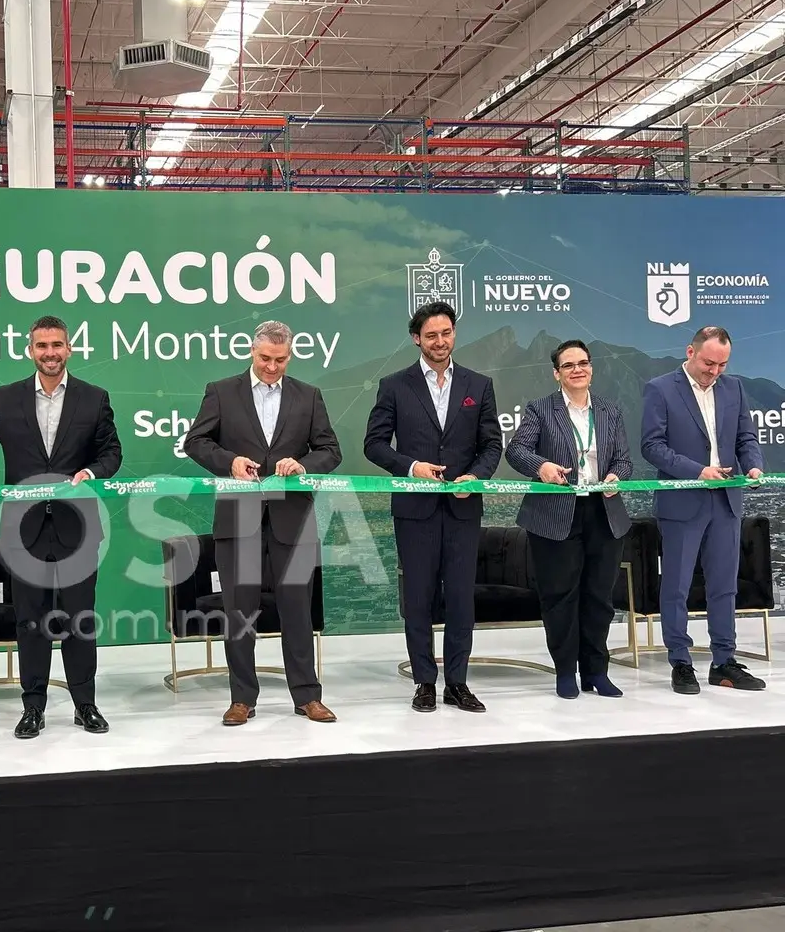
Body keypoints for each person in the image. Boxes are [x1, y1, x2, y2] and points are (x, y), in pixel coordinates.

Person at [0, 315, 122, 739]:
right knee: (30, 621)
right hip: (23, 531)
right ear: (31, 350)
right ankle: (33, 707)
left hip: (78, 528)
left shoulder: (94, 398)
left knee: (79, 620)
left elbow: (112, 451)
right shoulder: (4, 398)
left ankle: (86, 705)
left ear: (69, 349)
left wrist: (91, 471)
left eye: (57, 345)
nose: (50, 352)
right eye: (42, 345)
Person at [183, 320, 342, 727]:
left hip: (293, 520)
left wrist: (304, 464)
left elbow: (330, 450)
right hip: (239, 519)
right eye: (265, 358)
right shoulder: (221, 391)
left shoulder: (309, 396)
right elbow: (196, 442)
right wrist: (229, 462)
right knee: (240, 613)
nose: (272, 367)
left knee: (297, 612)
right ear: (252, 352)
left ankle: (307, 696)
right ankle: (242, 699)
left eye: (281, 359)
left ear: (290, 355)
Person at [363, 301, 502, 713]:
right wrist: (410, 466)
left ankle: (457, 682)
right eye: (431, 336)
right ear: (416, 339)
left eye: (446, 333)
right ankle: (425, 681)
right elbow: (373, 444)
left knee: (461, 600)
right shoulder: (394, 385)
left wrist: (475, 476)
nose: (440, 342)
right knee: (419, 599)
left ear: (454, 334)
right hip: (414, 510)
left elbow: (492, 444)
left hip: (463, 509)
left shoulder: (479, 385)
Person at [505, 340, 634, 699]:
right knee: (560, 597)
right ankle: (566, 672)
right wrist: (542, 467)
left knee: (599, 598)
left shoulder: (610, 411)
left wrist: (614, 477)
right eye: (568, 365)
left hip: (603, 512)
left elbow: (623, 459)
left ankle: (596, 671)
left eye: (583, 363)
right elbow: (516, 450)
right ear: (556, 373)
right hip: (555, 515)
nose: (577, 369)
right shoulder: (540, 409)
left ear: (591, 368)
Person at [640, 326, 766, 694]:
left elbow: (746, 438)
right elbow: (652, 446)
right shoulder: (660, 388)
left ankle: (724, 662)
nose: (715, 372)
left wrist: (753, 465)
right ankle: (680, 661)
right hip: (683, 500)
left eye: (722, 365)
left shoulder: (735, 388)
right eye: (709, 363)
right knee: (676, 586)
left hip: (726, 500)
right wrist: (697, 471)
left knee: (725, 586)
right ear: (690, 352)